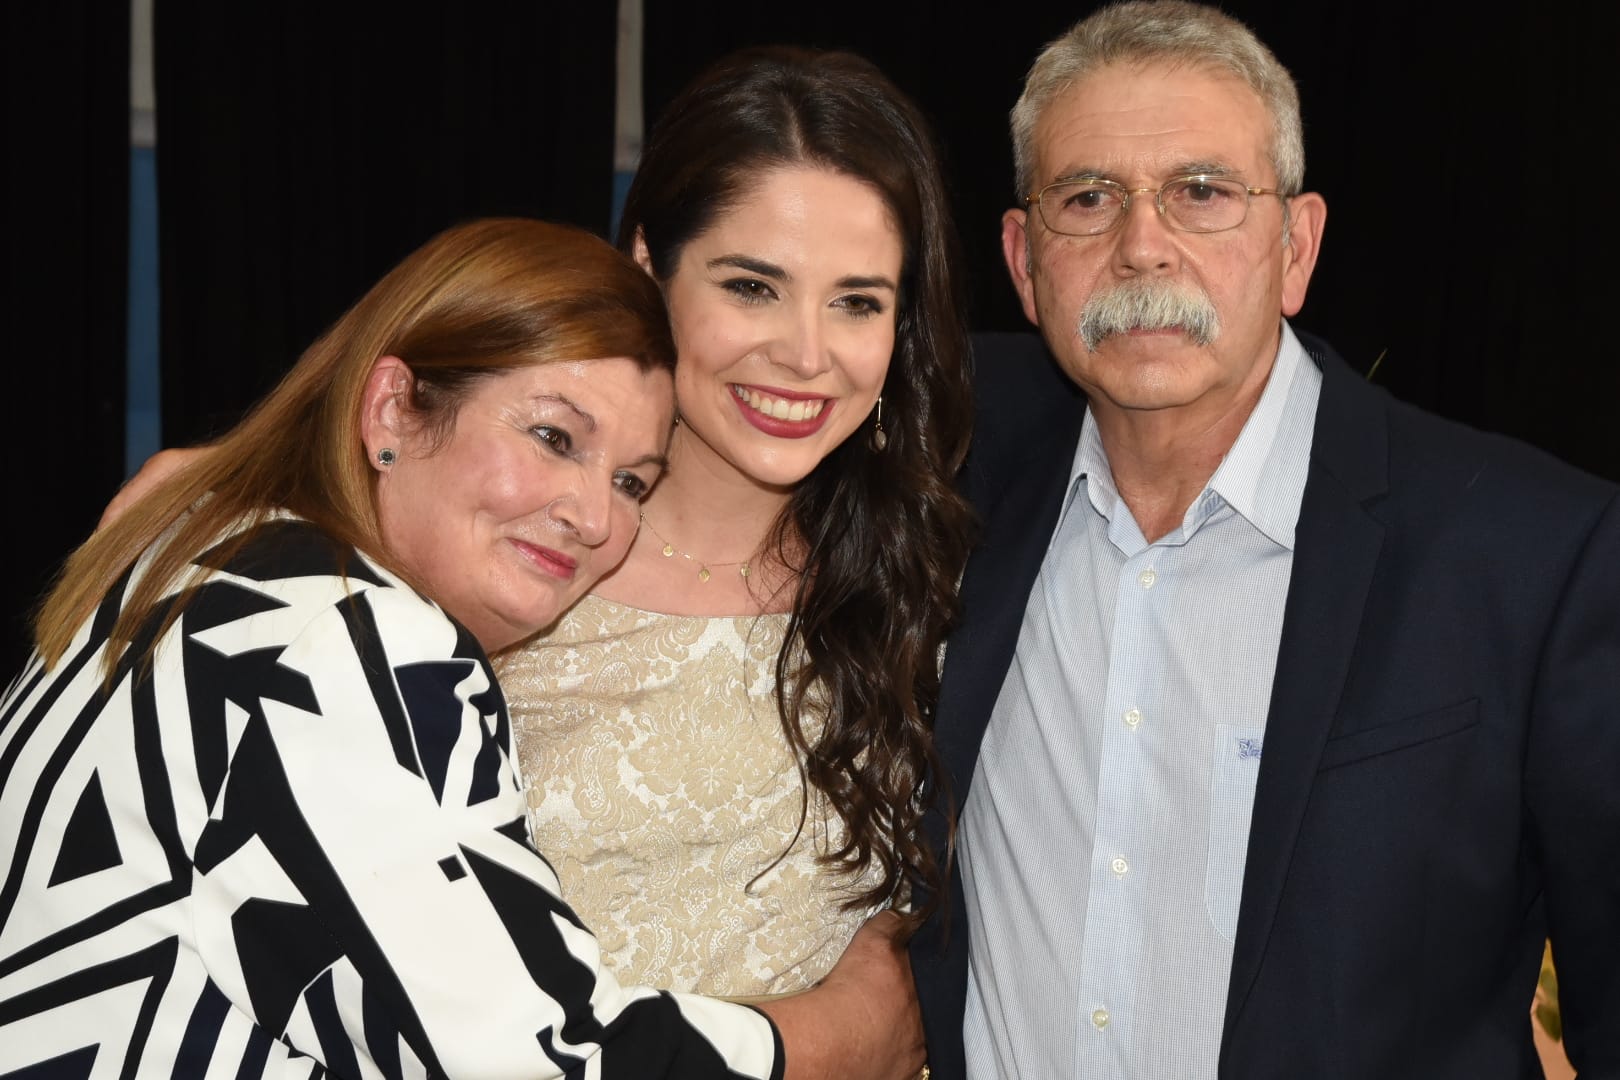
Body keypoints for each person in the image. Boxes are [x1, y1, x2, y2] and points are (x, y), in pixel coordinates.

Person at [0, 217, 923, 1078]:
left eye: (632, 482)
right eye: (553, 437)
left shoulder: (206, 548)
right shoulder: (343, 638)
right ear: (392, 410)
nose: (595, 517)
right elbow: (544, 1062)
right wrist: (844, 1034)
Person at [908, 2, 1620, 1077]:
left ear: (1297, 246)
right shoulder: (947, 477)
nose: (1142, 246)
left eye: (1202, 192)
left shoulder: (1529, 556)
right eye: (1087, 198)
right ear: (1022, 260)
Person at [497, 45, 974, 999]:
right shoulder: (509, 543)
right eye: (752, 287)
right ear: (648, 268)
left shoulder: (929, 578)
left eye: (857, 303)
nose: (806, 353)